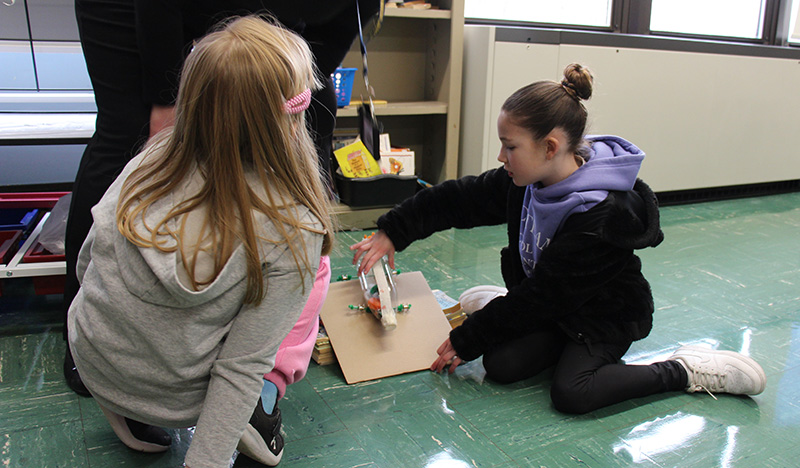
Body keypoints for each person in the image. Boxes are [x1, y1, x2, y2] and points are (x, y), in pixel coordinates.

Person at [351, 63, 767, 414]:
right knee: (501, 365)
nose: (501, 157)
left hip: (603, 317)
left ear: (550, 146)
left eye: (509, 146)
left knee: (572, 393)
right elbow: (461, 198)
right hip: (555, 304)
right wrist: (394, 230)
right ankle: (506, 305)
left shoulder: (601, 215)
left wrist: (468, 336)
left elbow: (546, 296)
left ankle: (684, 370)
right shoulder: (527, 178)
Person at [64, 0, 381, 397]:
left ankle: (264, 340)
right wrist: (165, 102)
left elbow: (322, 61)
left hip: (257, 20)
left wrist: (286, 89)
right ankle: (89, 341)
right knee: (126, 134)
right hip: (136, 10)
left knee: (316, 111)